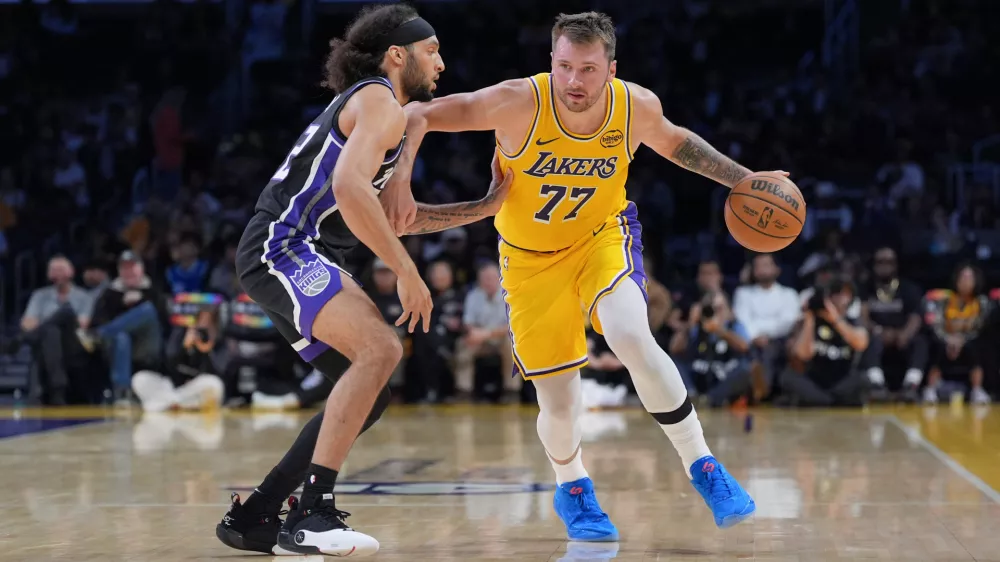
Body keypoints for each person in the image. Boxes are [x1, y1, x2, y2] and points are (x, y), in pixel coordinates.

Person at [383, 11, 784, 537]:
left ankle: (703, 465)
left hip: (601, 238)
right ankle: (573, 488)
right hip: (528, 259)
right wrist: (401, 175)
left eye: (589, 70)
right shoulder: (517, 101)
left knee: (629, 333)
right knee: (560, 398)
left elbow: (677, 142)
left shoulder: (633, 106)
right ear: (551, 61)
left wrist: (746, 179)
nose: (575, 81)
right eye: (565, 66)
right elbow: (420, 114)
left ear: (611, 69)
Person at [215, 5, 511, 557]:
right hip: (285, 246)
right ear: (397, 54)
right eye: (433, 50)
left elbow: (398, 217)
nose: (442, 63)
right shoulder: (377, 98)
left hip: (290, 251)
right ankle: (311, 514)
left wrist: (487, 206)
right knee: (379, 348)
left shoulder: (381, 113)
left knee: (368, 393)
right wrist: (406, 272)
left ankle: (258, 514)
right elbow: (352, 191)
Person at [780, 275, 871, 406]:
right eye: (836, 293)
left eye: (844, 294)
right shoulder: (809, 322)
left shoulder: (853, 321)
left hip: (841, 379)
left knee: (863, 380)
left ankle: (823, 401)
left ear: (851, 298)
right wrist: (810, 319)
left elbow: (861, 343)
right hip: (814, 379)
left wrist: (835, 319)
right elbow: (803, 354)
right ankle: (827, 401)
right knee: (788, 377)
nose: (839, 298)